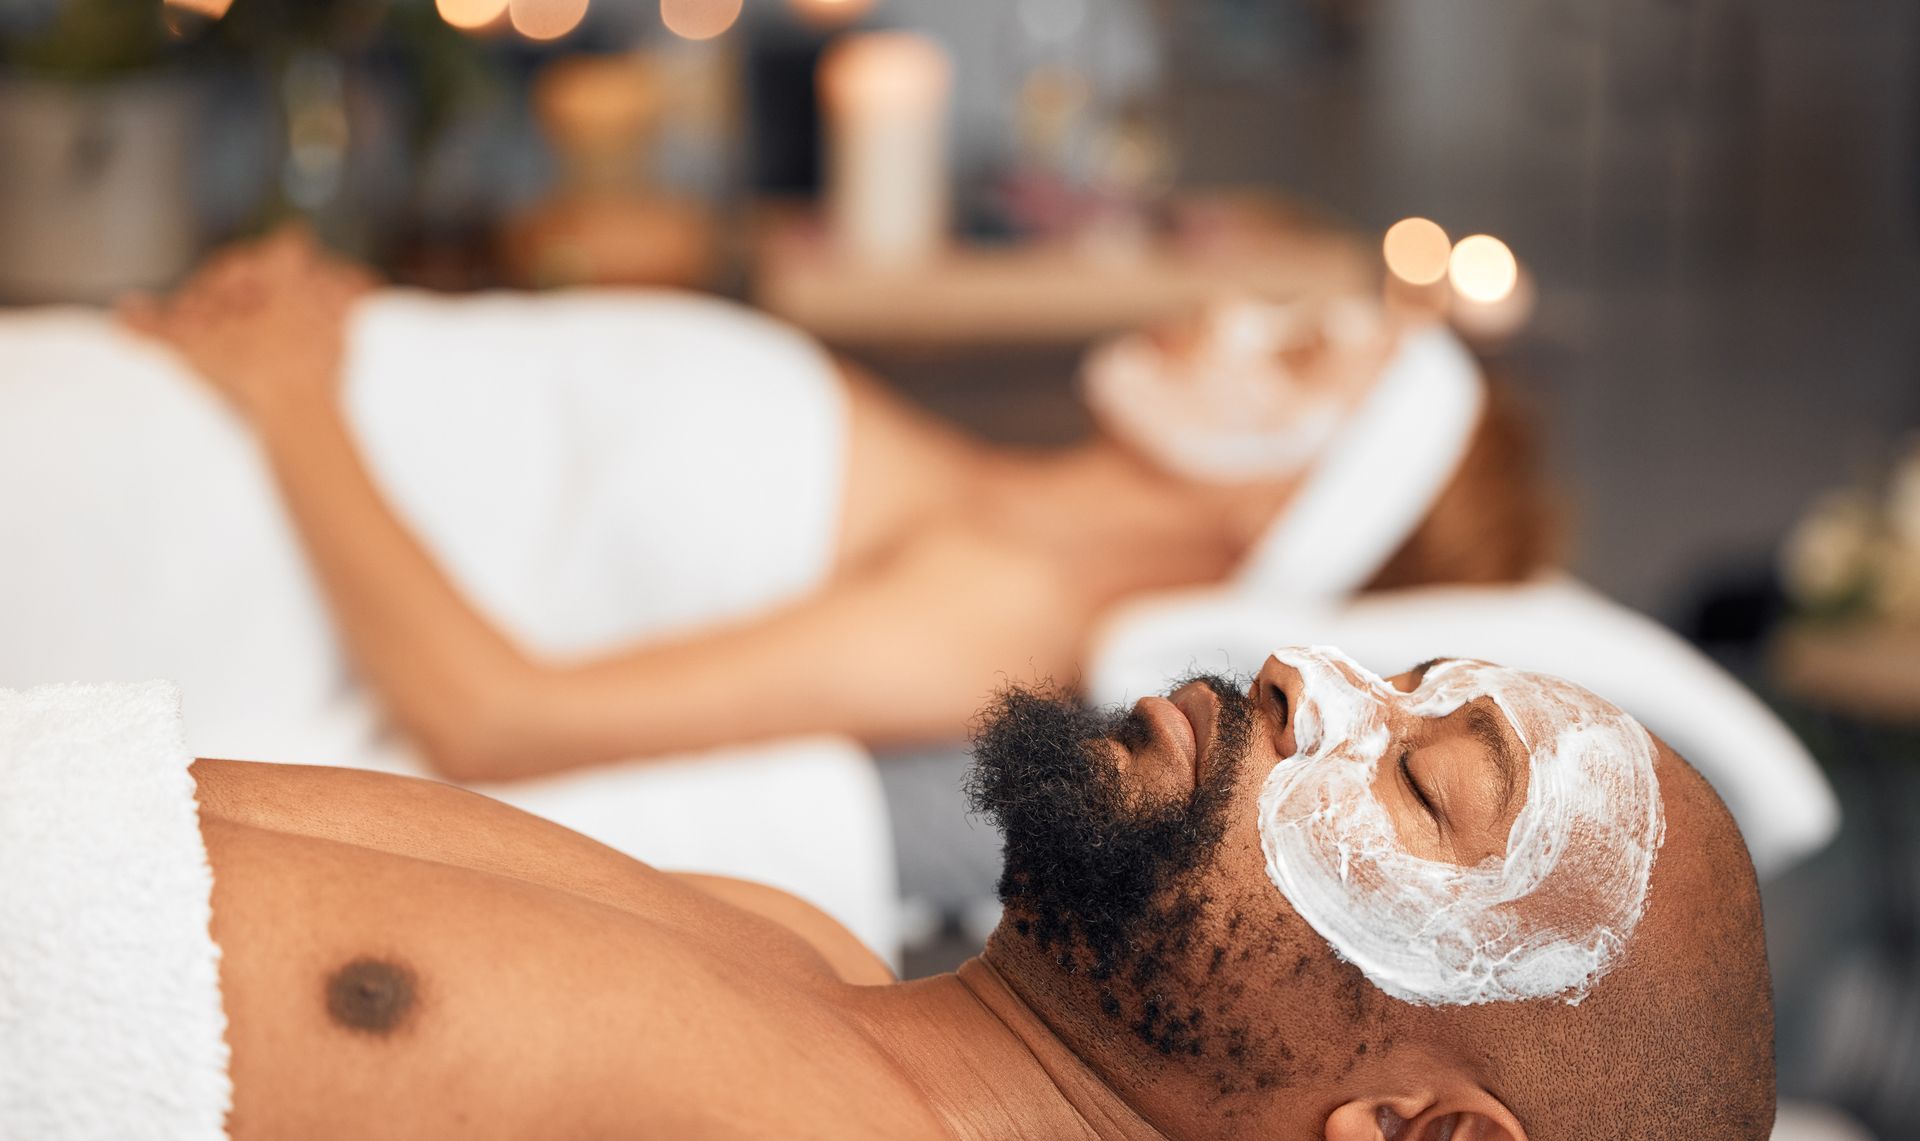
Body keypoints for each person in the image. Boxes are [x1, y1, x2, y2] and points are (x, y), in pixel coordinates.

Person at [148, 644, 1767, 1141]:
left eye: (1420, 786)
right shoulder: (784, 939)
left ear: (1411, 1138)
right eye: (1395, 677)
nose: (1296, 673)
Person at [117, 230, 1555, 783]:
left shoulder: (994, 619)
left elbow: (498, 715)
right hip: (192, 411)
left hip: (188, 538)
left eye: (1294, 357)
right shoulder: (964, 482)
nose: (1232, 313)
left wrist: (301, 394)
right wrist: (366, 341)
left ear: (1283, 525)